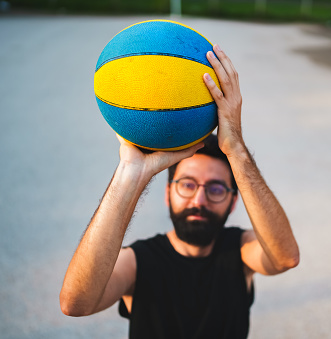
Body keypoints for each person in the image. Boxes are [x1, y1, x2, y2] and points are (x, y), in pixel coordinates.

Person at [59, 44, 300, 339]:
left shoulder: (240, 253)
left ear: (233, 201)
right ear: (167, 192)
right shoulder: (138, 262)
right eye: (187, 184)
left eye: (215, 188)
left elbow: (285, 257)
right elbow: (76, 303)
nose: (198, 200)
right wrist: (130, 173)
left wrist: (236, 149)